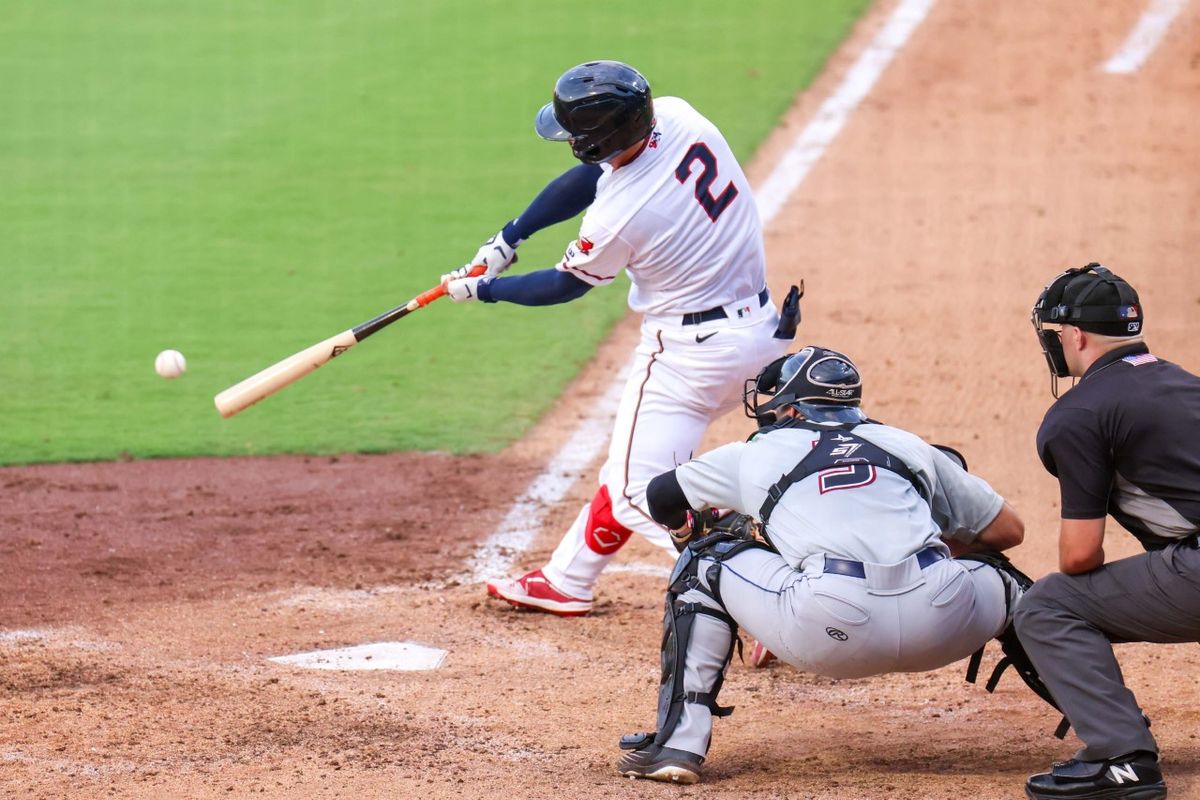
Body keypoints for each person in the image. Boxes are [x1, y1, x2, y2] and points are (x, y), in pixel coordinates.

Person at [440, 60, 797, 616]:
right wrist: (510, 237)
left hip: (689, 360)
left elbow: (564, 286)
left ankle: (768, 597)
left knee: (640, 493)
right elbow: (593, 174)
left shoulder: (619, 216)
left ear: (596, 139)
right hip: (761, 337)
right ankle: (568, 578)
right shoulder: (678, 117)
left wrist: (486, 291)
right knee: (635, 461)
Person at [616, 345, 1032, 784]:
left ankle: (678, 745)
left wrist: (690, 533)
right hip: (944, 619)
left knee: (702, 561)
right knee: (1006, 579)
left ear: (791, 407)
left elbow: (662, 494)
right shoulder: (906, 444)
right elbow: (1008, 531)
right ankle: (1104, 729)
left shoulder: (753, 454)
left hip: (829, 631)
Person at [1016, 263, 1200, 800]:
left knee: (1048, 605)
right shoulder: (1187, 384)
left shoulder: (1078, 414)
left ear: (1076, 335)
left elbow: (1079, 555)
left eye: (1055, 334)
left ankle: (1122, 759)